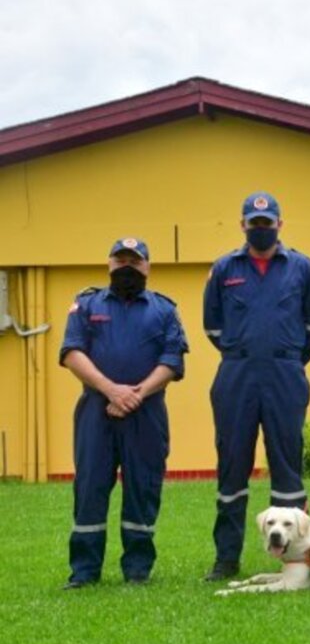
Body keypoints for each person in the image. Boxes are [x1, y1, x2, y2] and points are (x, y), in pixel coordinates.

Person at [202, 191, 310, 581]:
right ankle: (226, 559)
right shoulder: (225, 268)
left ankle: (297, 559)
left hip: (285, 376)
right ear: (243, 225)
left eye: (268, 223)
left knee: (287, 468)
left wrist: (288, 357)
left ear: (280, 224)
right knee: (231, 469)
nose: (261, 229)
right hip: (236, 375)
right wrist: (244, 353)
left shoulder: (303, 268)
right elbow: (212, 326)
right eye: (254, 223)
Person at [59, 238, 188, 589]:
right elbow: (72, 352)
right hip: (95, 412)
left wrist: (137, 393)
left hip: (147, 413)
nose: (128, 267)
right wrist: (111, 390)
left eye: (135, 261)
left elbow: (173, 360)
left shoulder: (164, 310)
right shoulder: (86, 305)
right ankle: (84, 572)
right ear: (110, 264)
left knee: (143, 488)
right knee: (90, 488)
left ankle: (137, 570)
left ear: (147, 266)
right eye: (121, 260)